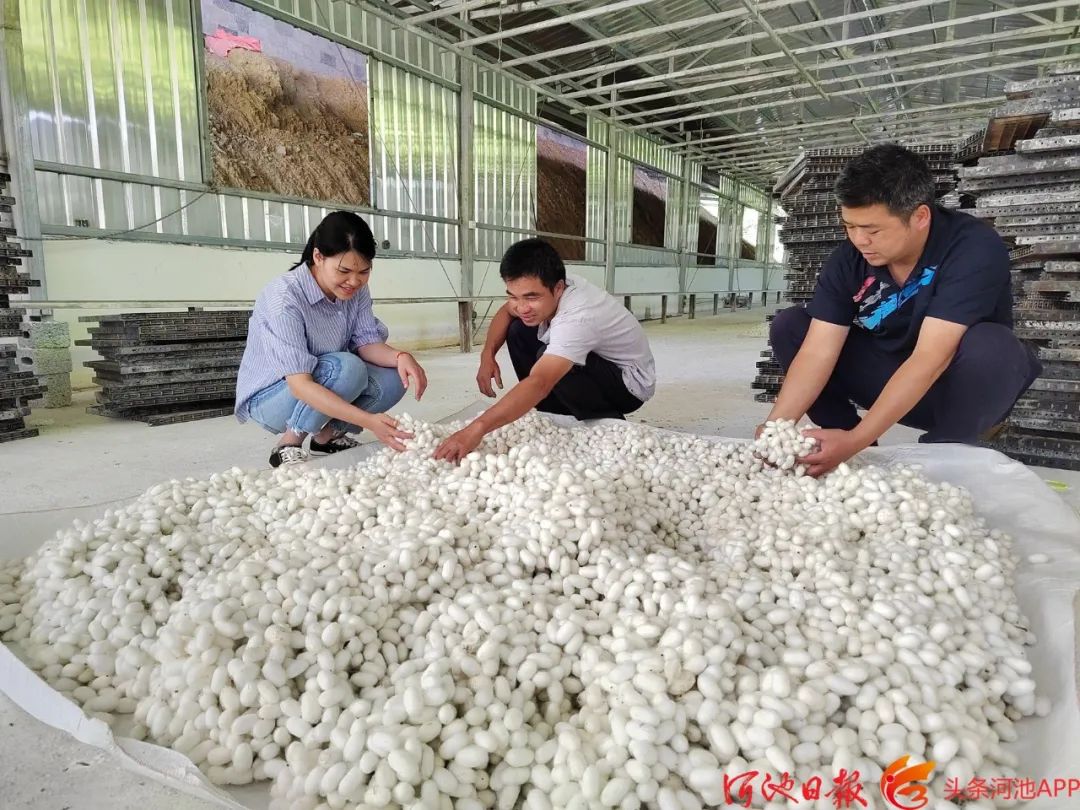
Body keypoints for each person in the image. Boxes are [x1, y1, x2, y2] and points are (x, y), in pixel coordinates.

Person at [761, 143, 1041, 477]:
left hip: (956, 388)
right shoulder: (850, 259)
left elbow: (930, 357)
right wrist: (775, 427)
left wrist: (857, 439)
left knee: (993, 345)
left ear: (920, 217)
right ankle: (840, 442)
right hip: (889, 377)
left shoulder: (972, 248)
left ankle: (947, 450)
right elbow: (818, 350)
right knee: (791, 325)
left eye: (873, 229)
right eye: (849, 226)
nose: (859, 240)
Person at [435, 238, 655, 463]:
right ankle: (552, 415)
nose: (521, 306)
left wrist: (476, 429)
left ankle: (606, 424)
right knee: (519, 328)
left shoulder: (577, 316)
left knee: (549, 361)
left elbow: (541, 381)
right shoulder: (550, 284)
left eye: (531, 297)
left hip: (628, 384)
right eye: (513, 295)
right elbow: (507, 311)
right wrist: (487, 356)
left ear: (558, 288)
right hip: (598, 361)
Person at [235, 211, 427, 467]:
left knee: (394, 376)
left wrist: (402, 357)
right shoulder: (284, 297)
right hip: (274, 398)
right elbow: (299, 384)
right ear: (318, 256)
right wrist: (367, 421)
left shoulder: (355, 289)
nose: (354, 281)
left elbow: (368, 343)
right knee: (347, 367)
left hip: (324, 379)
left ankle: (326, 437)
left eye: (364, 272)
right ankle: (288, 443)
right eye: (344, 271)